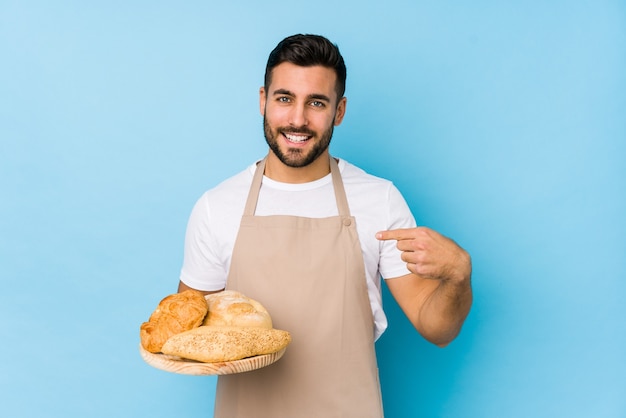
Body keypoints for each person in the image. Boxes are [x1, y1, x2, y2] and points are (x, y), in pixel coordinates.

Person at [177, 34, 472, 418]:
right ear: (263, 100)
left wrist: (458, 275)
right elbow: (187, 330)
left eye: (316, 103)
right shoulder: (217, 207)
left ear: (339, 110)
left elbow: (437, 328)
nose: (298, 119)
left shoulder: (378, 200)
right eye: (284, 99)